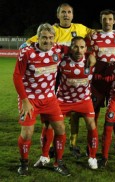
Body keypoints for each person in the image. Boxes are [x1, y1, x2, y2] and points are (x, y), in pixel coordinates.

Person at [22, 3, 96, 158]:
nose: (66, 15)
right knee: (50, 118)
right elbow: (29, 43)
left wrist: (92, 52)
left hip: (74, 74)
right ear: (58, 15)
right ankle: (49, 148)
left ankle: (72, 143)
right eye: (63, 12)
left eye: (69, 12)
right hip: (55, 76)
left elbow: (96, 35)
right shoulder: (51, 30)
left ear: (73, 15)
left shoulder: (81, 28)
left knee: (76, 113)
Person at [13, 23, 70, 176]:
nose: (48, 41)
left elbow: (77, 48)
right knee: (27, 133)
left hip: (50, 99)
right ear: (38, 38)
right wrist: (24, 100)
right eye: (44, 38)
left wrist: (90, 54)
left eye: (51, 38)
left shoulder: (58, 49)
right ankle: (24, 163)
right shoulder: (27, 52)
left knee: (60, 129)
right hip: (30, 99)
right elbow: (17, 77)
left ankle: (58, 162)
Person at [85, 9, 115, 156]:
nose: (107, 22)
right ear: (100, 20)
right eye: (104, 19)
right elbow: (88, 54)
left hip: (114, 81)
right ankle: (92, 142)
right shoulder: (93, 36)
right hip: (97, 81)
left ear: (114, 21)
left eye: (110, 19)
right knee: (93, 113)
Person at [55, 36, 98, 169]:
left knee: (92, 125)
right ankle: (53, 157)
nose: (79, 50)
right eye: (75, 47)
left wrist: (92, 54)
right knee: (52, 127)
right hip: (63, 100)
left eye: (81, 47)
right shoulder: (62, 62)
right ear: (70, 48)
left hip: (83, 99)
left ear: (86, 48)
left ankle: (92, 157)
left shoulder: (91, 61)